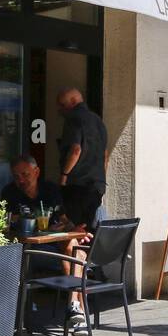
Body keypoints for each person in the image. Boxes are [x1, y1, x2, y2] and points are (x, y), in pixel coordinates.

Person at [56, 87, 107, 233]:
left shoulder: (74, 119)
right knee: (90, 228)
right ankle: (88, 255)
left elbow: (75, 150)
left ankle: (77, 255)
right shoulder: (98, 120)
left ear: (72, 102)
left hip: (77, 185)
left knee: (75, 230)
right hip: (97, 185)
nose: (59, 110)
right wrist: (101, 177)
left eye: (62, 105)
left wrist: (64, 176)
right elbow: (105, 155)